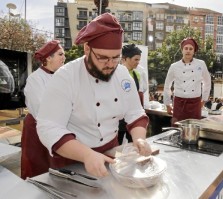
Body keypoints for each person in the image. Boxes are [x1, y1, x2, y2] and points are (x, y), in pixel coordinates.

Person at [36, 13, 151, 177]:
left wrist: (139, 139)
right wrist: (86, 154)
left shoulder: (122, 74)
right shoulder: (65, 77)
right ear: (87, 49)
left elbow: (135, 112)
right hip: (72, 158)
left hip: (111, 151)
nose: (110, 65)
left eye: (116, 58)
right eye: (103, 58)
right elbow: (49, 127)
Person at [21, 40, 65, 179]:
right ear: (48, 58)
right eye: (60, 54)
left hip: (56, 127)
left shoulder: (61, 77)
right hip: (36, 128)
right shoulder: (35, 79)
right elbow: (41, 109)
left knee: (53, 166)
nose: (64, 57)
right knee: (36, 165)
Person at [163, 37, 211, 126]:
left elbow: (207, 82)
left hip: (195, 103)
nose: (188, 51)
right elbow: (167, 85)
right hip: (179, 104)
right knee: (177, 129)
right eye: (186, 48)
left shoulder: (201, 64)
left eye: (190, 49)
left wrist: (203, 100)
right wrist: (167, 104)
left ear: (194, 51)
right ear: (182, 50)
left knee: (194, 131)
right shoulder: (174, 66)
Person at [118, 44, 144, 145]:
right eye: (135, 59)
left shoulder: (136, 74)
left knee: (133, 143)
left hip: (131, 116)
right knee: (117, 144)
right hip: (118, 116)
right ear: (126, 59)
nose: (138, 62)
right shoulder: (116, 73)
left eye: (139, 60)